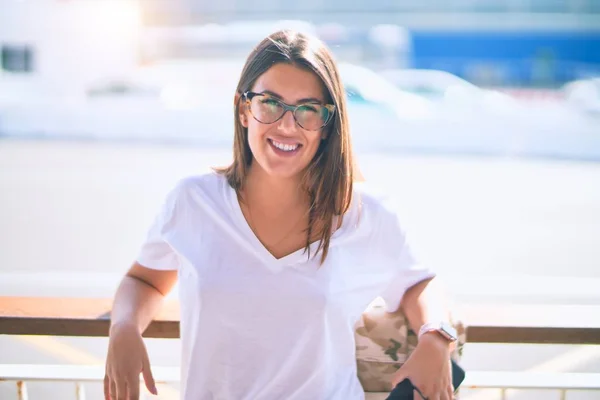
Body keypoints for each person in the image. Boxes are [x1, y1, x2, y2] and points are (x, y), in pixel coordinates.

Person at [104, 30, 457, 400]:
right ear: (244, 110)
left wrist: (435, 337)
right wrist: (124, 328)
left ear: (326, 125)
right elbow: (144, 280)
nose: (287, 126)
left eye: (307, 110)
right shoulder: (193, 201)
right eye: (270, 103)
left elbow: (420, 281)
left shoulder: (368, 212)